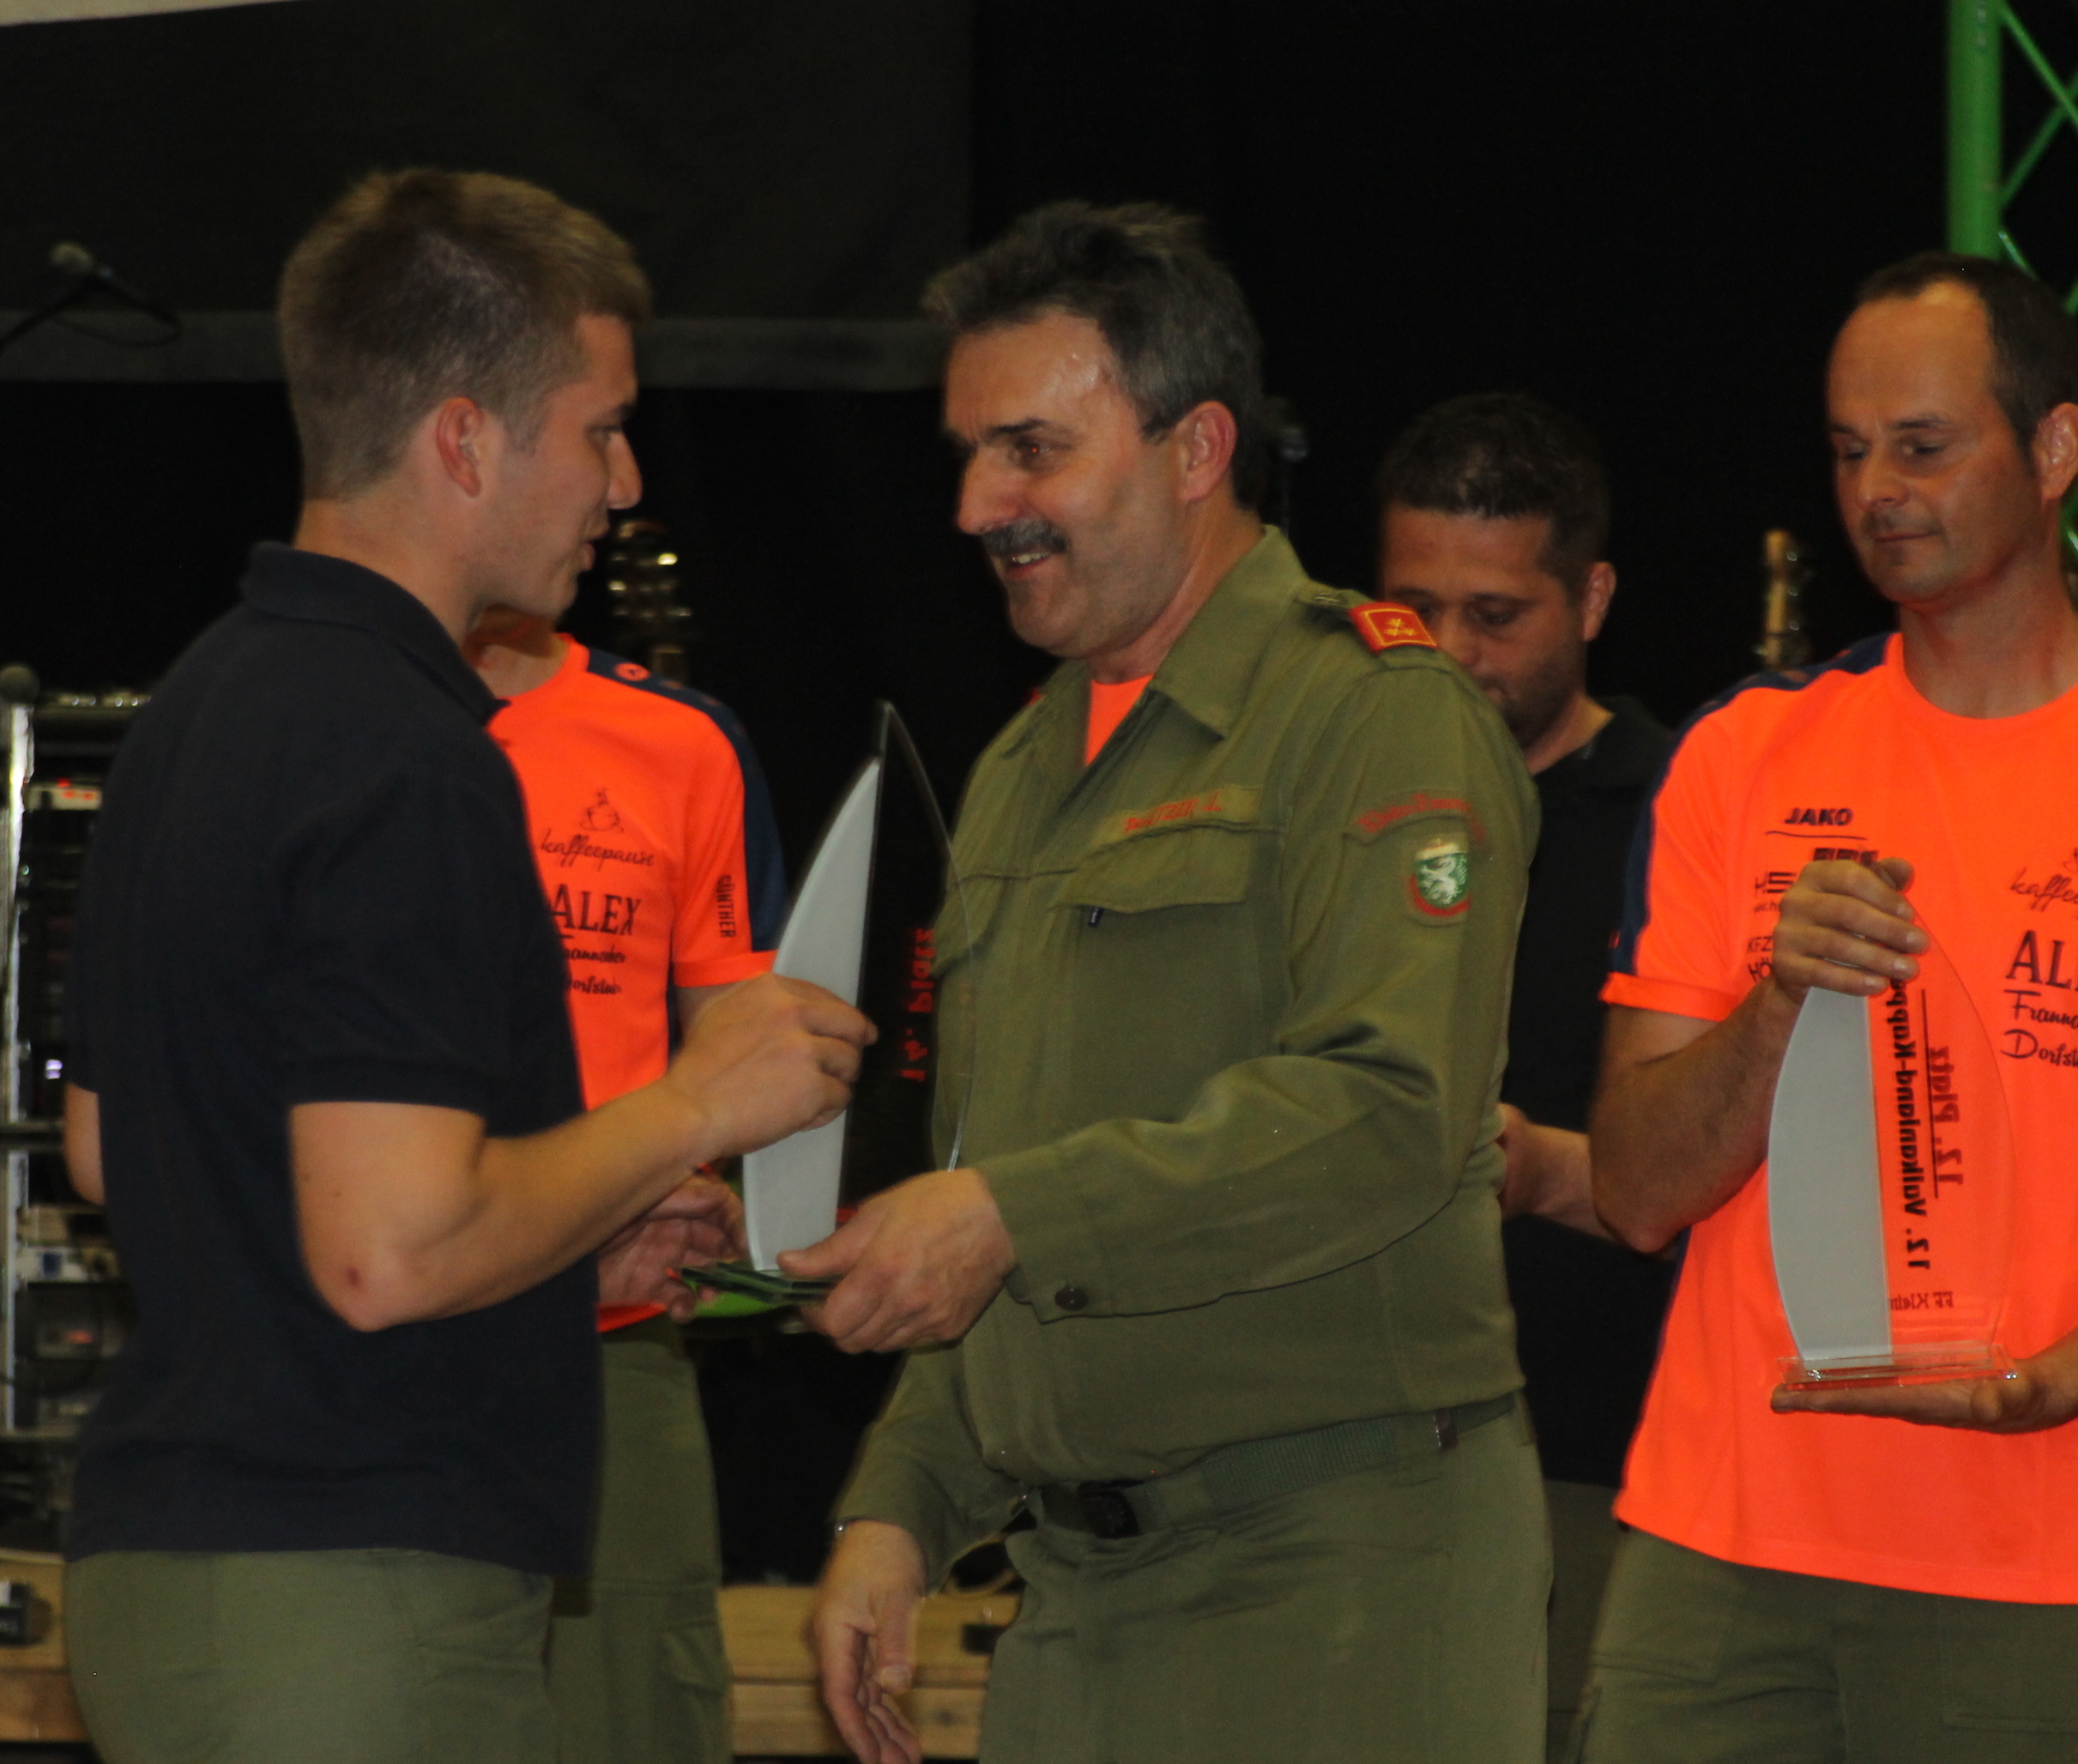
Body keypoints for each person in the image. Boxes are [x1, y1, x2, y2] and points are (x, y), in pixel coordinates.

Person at [52, 169, 872, 1764]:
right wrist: (696, 1104)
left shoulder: (197, 710)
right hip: (352, 1599)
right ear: (464, 439)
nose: (625, 484)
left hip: (182, 1576)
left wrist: (558, 1258)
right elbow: (386, 1252)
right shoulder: (407, 749)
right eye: (600, 430)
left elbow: (115, 1149)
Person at [793, 201, 1548, 1764]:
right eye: (969, 456)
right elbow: (982, 1184)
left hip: (1337, 1576)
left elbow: (1388, 1113)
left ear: (1197, 448)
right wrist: (898, 1510)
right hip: (1077, 1599)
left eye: (1032, 452)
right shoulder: (1023, 769)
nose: (979, 507)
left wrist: (1009, 1214)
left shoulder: (1376, 712)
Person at [1582, 251, 2078, 1760]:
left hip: (2035, 1564)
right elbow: (1634, 1192)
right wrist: (1778, 1004)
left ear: (2056, 447)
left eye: (1923, 446)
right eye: (1851, 451)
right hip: (1725, 1544)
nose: (1878, 492)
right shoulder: (1744, 758)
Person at [1372, 393, 1677, 1749]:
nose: (1450, 654)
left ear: (1592, 598)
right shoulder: (1330, 807)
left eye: (1495, 616)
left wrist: (1548, 1170)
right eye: (1412, 611)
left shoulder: (1681, 814)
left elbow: (1759, 1179)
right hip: (1335, 1477)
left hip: (1590, 1473)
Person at [466, 604, 788, 1764]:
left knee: (635, 1718)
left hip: (612, 1349)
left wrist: (699, 1198)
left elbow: (753, 1056)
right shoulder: (318, 718)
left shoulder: (677, 740)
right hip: (364, 1338)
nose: (603, 509)